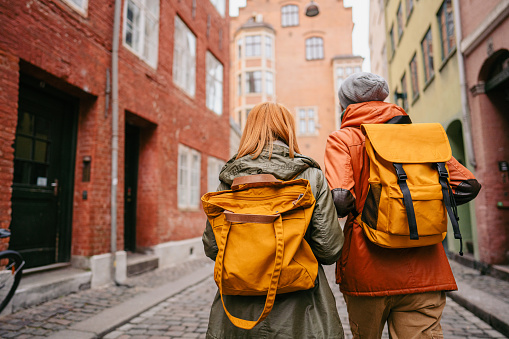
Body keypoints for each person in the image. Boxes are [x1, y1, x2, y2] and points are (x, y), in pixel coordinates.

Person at [324, 72, 481, 339]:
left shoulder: (343, 139)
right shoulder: (423, 137)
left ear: (345, 105)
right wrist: (425, 203)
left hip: (368, 266)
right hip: (427, 267)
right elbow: (468, 185)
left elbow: (341, 199)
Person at [202, 101, 345, 339]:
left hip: (239, 311)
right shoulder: (310, 176)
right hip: (301, 312)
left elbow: (212, 246)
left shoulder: (230, 179)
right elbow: (329, 249)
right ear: (287, 129)